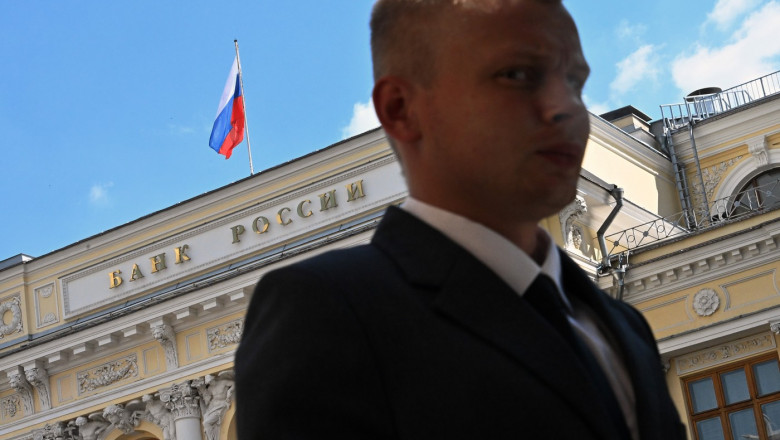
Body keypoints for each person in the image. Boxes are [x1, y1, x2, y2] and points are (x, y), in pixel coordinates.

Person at [235, 0, 686, 439]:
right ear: (401, 109)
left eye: (573, 81)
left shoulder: (624, 328)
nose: (564, 106)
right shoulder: (325, 313)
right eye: (516, 75)